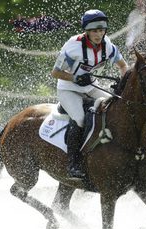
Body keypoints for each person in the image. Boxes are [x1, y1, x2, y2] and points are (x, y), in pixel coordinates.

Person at [51, 9, 128, 180]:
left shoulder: (108, 46)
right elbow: (55, 72)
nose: (98, 34)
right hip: (68, 89)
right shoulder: (73, 46)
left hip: (91, 86)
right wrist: (75, 77)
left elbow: (123, 66)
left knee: (117, 107)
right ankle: (73, 164)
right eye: (94, 31)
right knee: (80, 119)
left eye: (101, 30)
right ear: (86, 31)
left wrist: (122, 84)